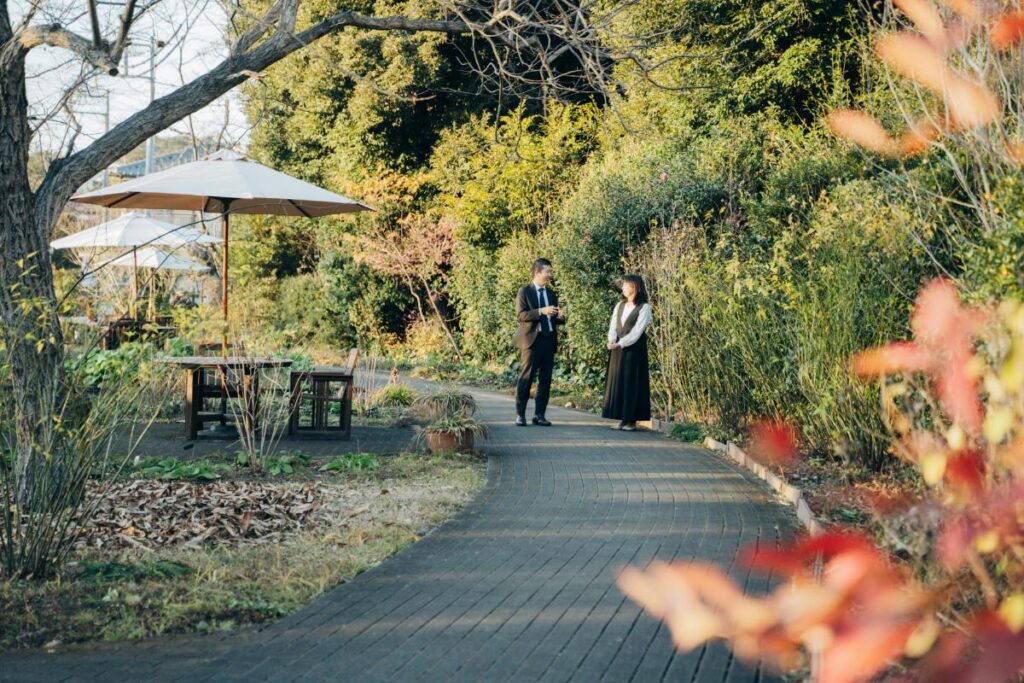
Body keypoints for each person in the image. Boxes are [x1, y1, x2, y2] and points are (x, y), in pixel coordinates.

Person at [513, 258, 565, 426]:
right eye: (547, 272)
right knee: (526, 378)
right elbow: (521, 315)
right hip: (531, 342)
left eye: (550, 272)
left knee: (545, 380)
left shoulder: (551, 294)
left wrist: (560, 317)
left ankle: (539, 415)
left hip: (548, 340)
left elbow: (554, 318)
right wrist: (541, 311)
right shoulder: (524, 291)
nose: (550, 275)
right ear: (537, 272)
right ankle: (520, 415)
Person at [603, 274, 652, 431]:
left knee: (632, 382)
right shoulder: (620, 305)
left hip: (634, 350)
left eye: (626, 285)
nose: (623, 287)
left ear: (635, 287)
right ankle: (622, 419)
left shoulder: (644, 307)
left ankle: (631, 420)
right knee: (619, 382)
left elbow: (637, 331)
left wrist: (621, 343)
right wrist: (612, 340)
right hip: (617, 348)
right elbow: (613, 325)